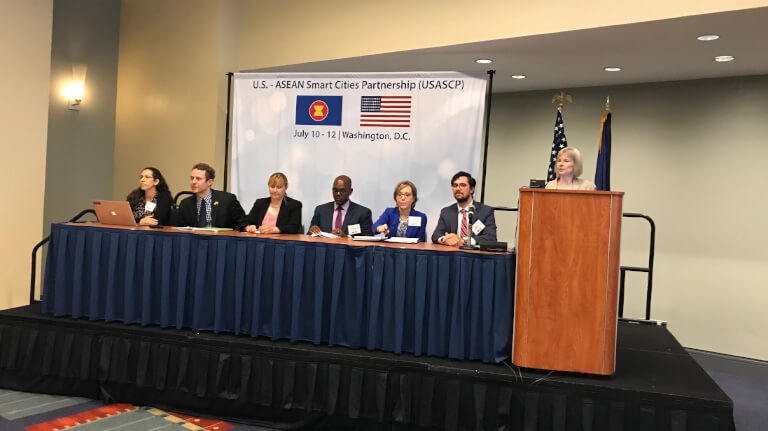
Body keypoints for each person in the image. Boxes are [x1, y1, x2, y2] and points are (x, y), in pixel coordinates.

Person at [432, 171, 497, 246]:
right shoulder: (446, 211)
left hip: (474, 252)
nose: (458, 188)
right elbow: (436, 235)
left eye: (463, 185)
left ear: (471, 189)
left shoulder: (485, 211)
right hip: (452, 251)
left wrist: (464, 241)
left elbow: (491, 237)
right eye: (455, 185)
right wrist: (445, 239)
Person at [177, 162, 246, 228]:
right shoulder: (185, 204)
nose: (193, 182)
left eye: (198, 179)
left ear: (209, 182)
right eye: (192, 178)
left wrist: (245, 227)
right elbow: (179, 229)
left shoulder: (227, 200)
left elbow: (243, 223)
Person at [307, 175, 372, 237]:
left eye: (342, 191)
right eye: (335, 190)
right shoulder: (321, 210)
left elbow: (368, 240)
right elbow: (309, 236)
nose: (338, 194)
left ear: (350, 191)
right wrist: (311, 232)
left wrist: (346, 238)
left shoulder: (363, 213)